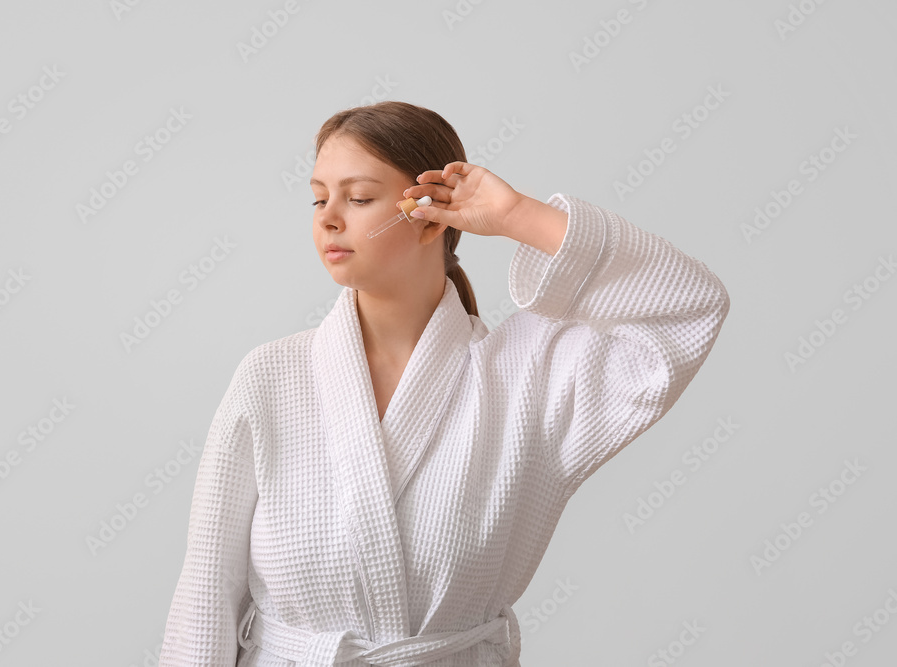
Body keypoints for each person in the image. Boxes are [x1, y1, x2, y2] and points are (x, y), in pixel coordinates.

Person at [158, 100, 730, 666]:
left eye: (358, 198)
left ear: (430, 214)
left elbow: (687, 306)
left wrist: (516, 217)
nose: (329, 217)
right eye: (318, 197)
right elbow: (207, 590)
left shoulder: (527, 377)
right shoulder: (272, 377)